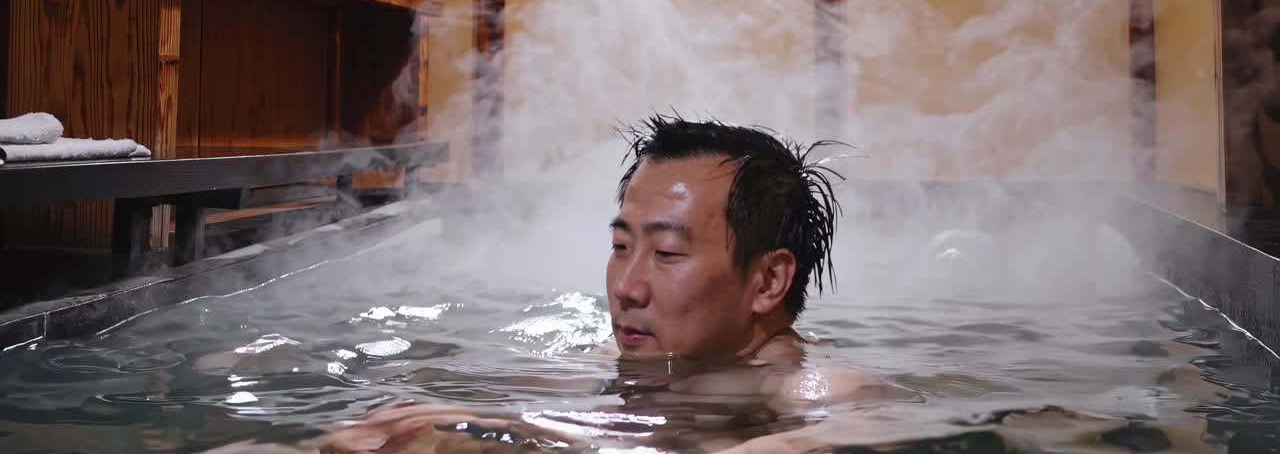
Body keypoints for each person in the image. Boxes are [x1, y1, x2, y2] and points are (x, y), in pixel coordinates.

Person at [213, 115, 906, 453]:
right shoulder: (631, 361)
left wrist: (521, 431)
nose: (626, 286)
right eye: (619, 246)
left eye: (665, 254)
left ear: (770, 279)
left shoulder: (827, 396)